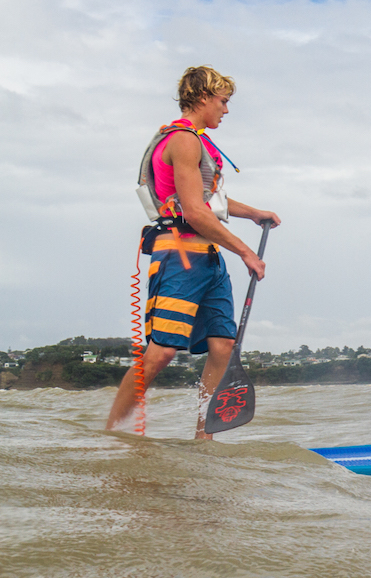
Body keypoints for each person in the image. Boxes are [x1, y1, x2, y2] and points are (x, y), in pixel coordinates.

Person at [106, 66, 281, 439]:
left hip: (209, 258)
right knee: (162, 352)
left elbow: (209, 199)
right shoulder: (183, 141)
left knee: (222, 346)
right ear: (203, 98)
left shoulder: (198, 141)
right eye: (223, 101)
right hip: (180, 256)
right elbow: (194, 211)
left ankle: (205, 437)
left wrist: (254, 213)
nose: (226, 110)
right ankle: (110, 434)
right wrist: (247, 253)